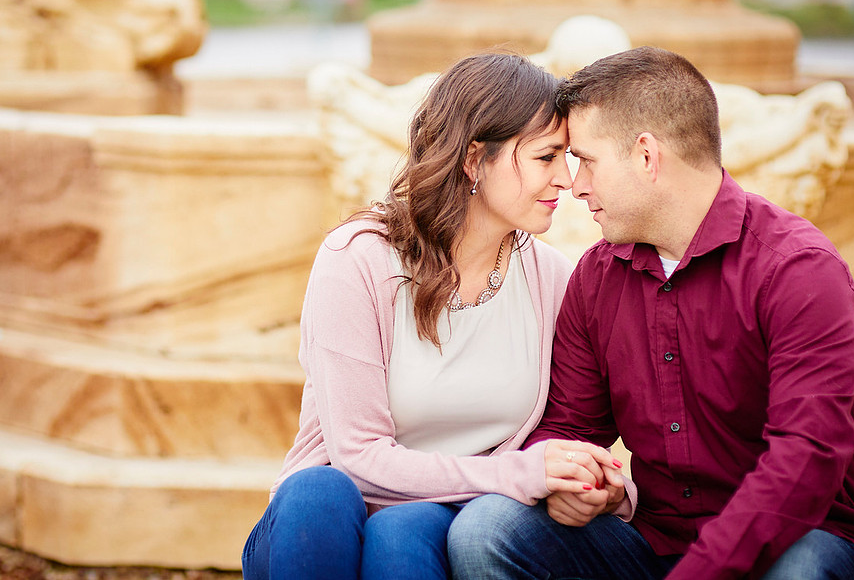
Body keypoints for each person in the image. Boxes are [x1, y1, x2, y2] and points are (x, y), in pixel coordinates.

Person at [448, 46, 854, 580]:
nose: (576, 186)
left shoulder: (798, 269)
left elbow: (805, 461)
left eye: (587, 161)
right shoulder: (596, 276)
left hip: (803, 541)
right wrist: (575, 481)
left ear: (646, 156)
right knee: (487, 530)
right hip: (654, 545)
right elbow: (569, 425)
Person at [241, 52, 634, 580]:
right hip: (319, 528)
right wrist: (514, 474)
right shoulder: (357, 260)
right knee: (319, 490)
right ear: (474, 159)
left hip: (448, 522)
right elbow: (356, 456)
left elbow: (570, 432)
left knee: (403, 533)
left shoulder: (553, 280)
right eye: (547, 156)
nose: (566, 179)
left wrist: (607, 489)